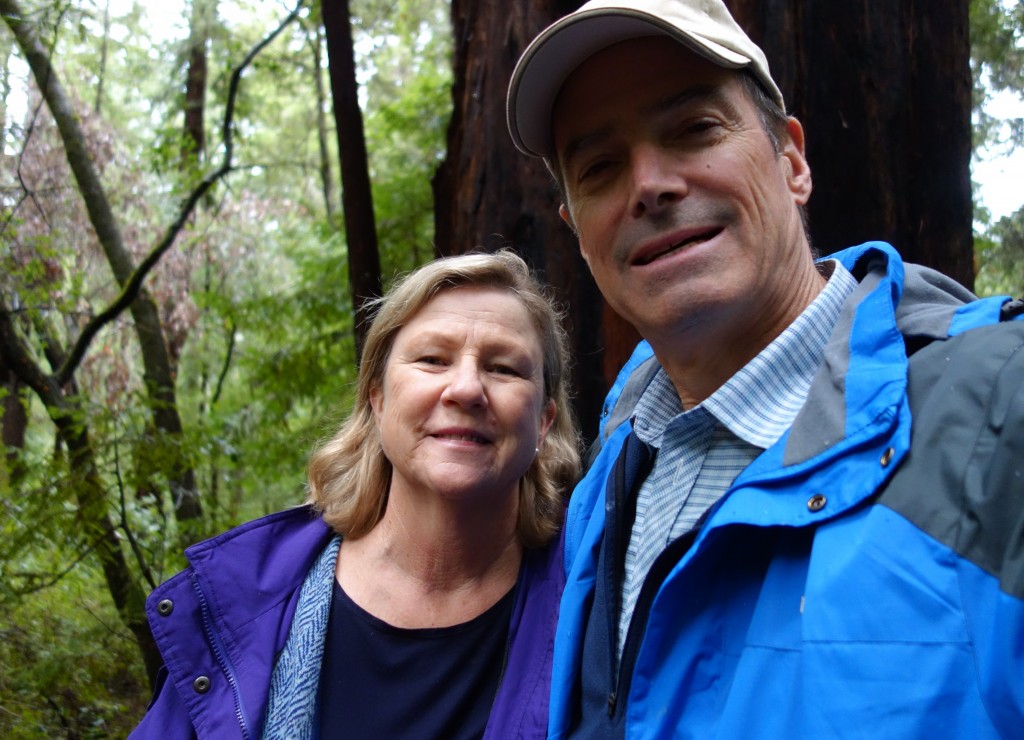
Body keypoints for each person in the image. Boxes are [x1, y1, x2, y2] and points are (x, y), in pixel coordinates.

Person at [506, 0, 1024, 737]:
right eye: (599, 167)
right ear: (578, 233)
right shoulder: (611, 469)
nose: (647, 185)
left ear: (792, 160)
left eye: (693, 130)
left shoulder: (998, 411)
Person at [130, 250, 580, 739]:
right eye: (432, 360)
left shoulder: (595, 597)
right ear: (378, 397)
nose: (466, 389)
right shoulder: (248, 606)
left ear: (543, 420)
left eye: (504, 368)